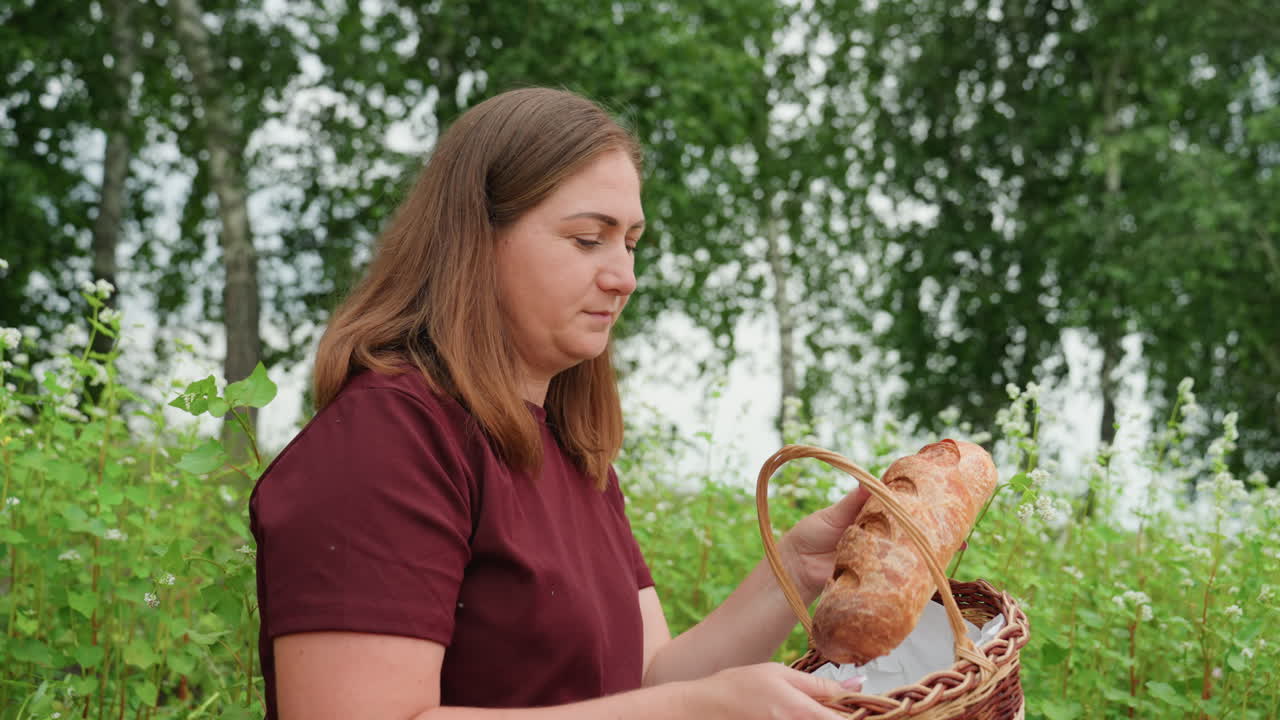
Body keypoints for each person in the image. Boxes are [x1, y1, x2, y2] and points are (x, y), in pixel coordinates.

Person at [250, 87, 871, 720]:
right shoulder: (386, 438)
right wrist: (691, 712)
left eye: (630, 241)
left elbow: (647, 681)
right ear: (477, 240)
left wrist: (791, 571)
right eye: (587, 240)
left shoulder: (572, 456)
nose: (624, 276)